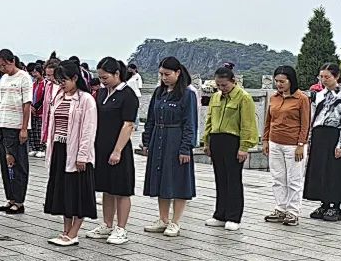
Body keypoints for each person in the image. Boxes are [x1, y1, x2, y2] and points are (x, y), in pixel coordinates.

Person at [138, 56, 197, 237]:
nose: (164, 78)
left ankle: (175, 221)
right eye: (161, 74)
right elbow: (151, 119)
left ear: (178, 73)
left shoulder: (187, 94)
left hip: (176, 139)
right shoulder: (159, 93)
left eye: (167, 74)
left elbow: (190, 123)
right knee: (161, 178)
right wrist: (146, 141)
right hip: (159, 138)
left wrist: (186, 147)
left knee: (178, 180)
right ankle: (163, 219)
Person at [43, 60, 98, 246]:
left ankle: (74, 232)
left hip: (75, 151)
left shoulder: (86, 100)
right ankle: (66, 230)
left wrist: (82, 156)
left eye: (64, 80)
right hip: (59, 148)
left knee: (78, 192)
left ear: (75, 78)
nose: (61, 84)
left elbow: (88, 130)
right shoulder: (58, 97)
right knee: (63, 191)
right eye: (59, 81)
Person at [86, 57, 138, 245]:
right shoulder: (100, 93)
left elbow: (128, 124)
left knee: (121, 189)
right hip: (101, 147)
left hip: (119, 148)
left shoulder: (127, 95)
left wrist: (117, 151)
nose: (102, 81)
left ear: (117, 74)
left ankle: (121, 228)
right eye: (100, 77)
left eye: (105, 77)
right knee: (106, 188)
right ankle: (107, 224)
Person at [202, 64, 259, 231]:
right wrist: (206, 141)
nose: (221, 88)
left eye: (224, 85)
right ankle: (220, 214)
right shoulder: (216, 97)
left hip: (233, 140)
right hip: (217, 139)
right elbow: (210, 120)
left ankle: (234, 216)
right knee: (220, 178)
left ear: (233, 81)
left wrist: (244, 147)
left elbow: (247, 124)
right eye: (218, 85)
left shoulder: (243, 98)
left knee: (233, 179)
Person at [304, 63, 341, 222]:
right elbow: (314, 117)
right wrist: (309, 138)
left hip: (335, 134)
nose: (324, 80)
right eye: (322, 77)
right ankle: (324, 203)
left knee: (335, 170)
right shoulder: (320, 94)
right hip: (319, 134)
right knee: (319, 169)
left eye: (327, 77)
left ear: (336, 76)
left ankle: (336, 206)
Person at [262, 65, 310, 226]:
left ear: (291, 81)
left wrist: (301, 144)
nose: (279, 84)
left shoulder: (301, 98)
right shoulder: (274, 97)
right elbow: (268, 121)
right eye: (277, 81)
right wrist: (265, 140)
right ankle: (280, 208)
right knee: (278, 178)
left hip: (293, 145)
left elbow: (305, 124)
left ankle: (293, 212)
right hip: (275, 142)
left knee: (294, 179)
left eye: (282, 81)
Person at [0, 49, 32, 214]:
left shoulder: (24, 77)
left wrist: (24, 128)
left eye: (3, 65)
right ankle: (10, 198)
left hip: (16, 125)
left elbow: (27, 104)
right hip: (2, 123)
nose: (2, 68)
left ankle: (19, 200)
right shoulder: (3, 78)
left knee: (17, 163)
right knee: (5, 163)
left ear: (12, 61)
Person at [28, 64, 47, 158]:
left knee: (40, 130)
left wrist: (36, 107)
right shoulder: (34, 84)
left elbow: (44, 98)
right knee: (33, 130)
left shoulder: (45, 84)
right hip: (32, 111)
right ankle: (34, 148)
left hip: (41, 111)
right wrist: (31, 107)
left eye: (36, 72)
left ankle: (42, 148)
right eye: (33, 72)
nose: (34, 74)